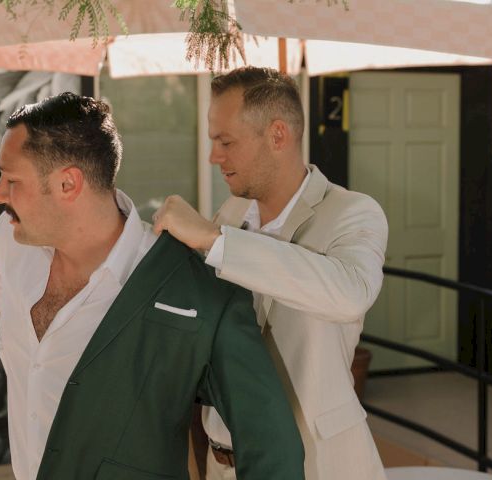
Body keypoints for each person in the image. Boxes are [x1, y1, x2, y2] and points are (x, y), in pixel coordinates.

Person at [0, 92, 304, 480]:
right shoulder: (11, 241)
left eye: (11, 179)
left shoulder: (192, 289)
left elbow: (273, 447)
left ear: (68, 183)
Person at [153, 67, 389, 480]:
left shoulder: (354, 212)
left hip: (315, 464)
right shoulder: (230, 214)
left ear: (277, 136)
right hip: (222, 462)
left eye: (226, 142)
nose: (214, 157)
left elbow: (350, 293)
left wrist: (215, 241)